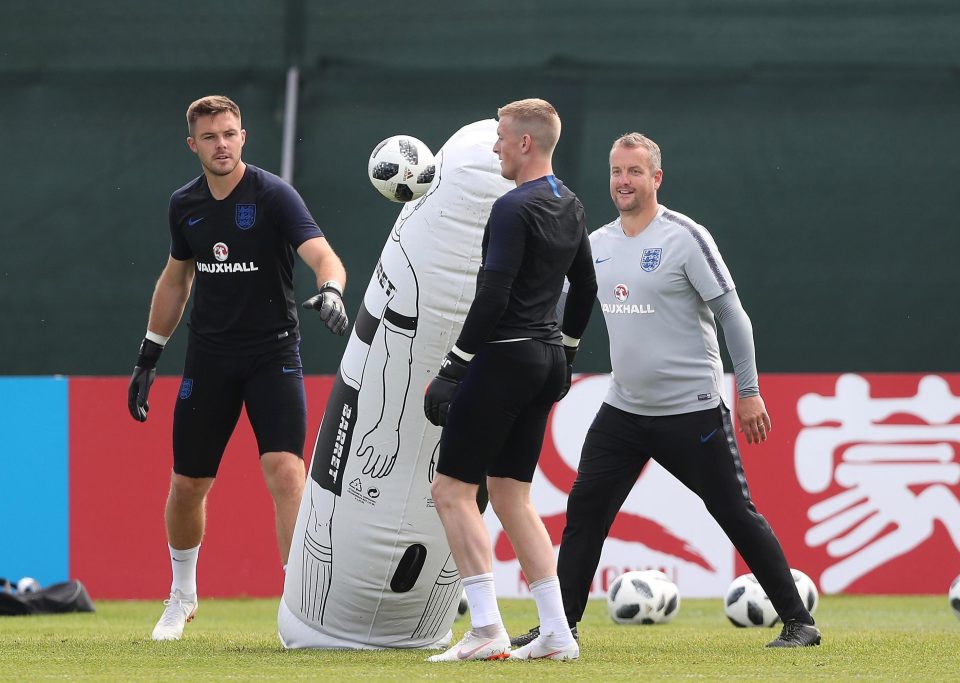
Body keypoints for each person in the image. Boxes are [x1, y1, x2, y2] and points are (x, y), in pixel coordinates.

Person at [510, 132, 821, 650]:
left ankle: (798, 621)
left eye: (634, 171)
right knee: (585, 513)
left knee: (733, 513)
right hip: (623, 411)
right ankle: (557, 627)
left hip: (691, 412)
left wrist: (748, 391)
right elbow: (562, 305)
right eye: (616, 171)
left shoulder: (685, 237)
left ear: (656, 178)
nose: (623, 181)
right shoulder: (597, 245)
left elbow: (733, 318)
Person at [127, 95, 349, 641]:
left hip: (273, 354)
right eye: (210, 136)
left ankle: (300, 607)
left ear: (243, 137)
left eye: (229, 133)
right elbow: (176, 280)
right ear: (193, 145)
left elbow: (323, 254)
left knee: (285, 472)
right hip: (210, 360)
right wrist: (148, 355)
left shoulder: (273, 194)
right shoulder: (185, 205)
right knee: (186, 485)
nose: (221, 144)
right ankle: (181, 596)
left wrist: (332, 290)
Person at [422, 98, 597, 662]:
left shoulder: (512, 207)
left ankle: (486, 628)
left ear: (525, 143)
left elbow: (493, 295)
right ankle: (556, 633)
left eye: (501, 137)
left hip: (504, 357)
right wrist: (566, 354)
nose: (495, 146)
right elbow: (586, 290)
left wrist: (453, 366)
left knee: (450, 490)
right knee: (511, 495)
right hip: (545, 359)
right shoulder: (569, 203)